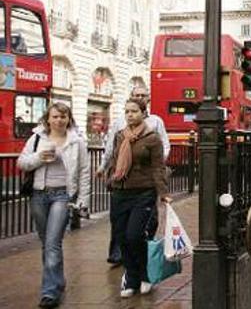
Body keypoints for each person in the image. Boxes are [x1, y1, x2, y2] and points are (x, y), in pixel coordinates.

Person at [17, 102, 90, 308]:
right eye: (55, 116)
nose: (59, 120)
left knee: (52, 243)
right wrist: (39, 158)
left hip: (62, 196)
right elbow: (22, 163)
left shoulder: (77, 142)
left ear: (69, 119)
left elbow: (84, 172)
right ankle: (57, 280)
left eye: (63, 116)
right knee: (46, 242)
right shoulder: (37, 138)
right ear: (48, 119)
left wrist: (83, 200)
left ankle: (49, 292)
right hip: (39, 195)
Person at [105, 98, 171, 298]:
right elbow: (115, 160)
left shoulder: (152, 139)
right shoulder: (119, 136)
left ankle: (144, 275)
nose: (130, 115)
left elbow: (158, 168)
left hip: (143, 193)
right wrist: (109, 179)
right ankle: (131, 277)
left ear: (144, 113)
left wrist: (163, 193)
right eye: (127, 111)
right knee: (121, 236)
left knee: (135, 235)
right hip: (120, 192)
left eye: (134, 111)